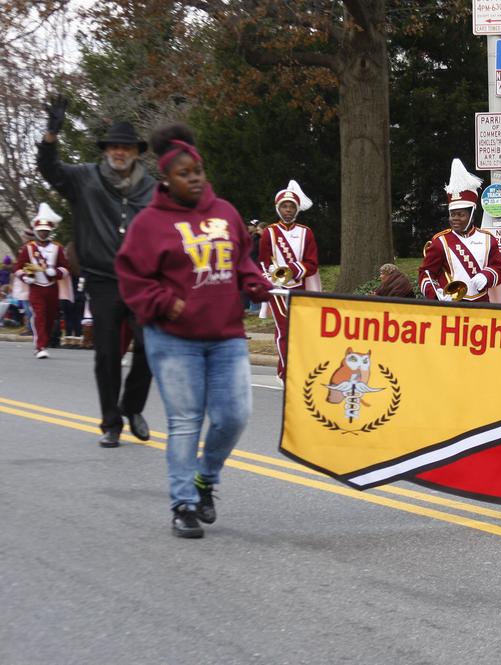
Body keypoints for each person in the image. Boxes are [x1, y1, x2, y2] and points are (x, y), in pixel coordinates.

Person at [116, 122, 272, 539]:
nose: (194, 178)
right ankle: (183, 502)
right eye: (184, 173)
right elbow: (132, 278)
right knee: (186, 420)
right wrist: (166, 302)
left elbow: (242, 257)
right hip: (174, 339)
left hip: (225, 334)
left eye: (198, 170)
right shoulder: (149, 223)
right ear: (166, 179)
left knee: (235, 415)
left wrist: (253, 280)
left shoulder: (225, 212)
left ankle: (206, 478)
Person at [37, 94, 155, 447]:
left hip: (140, 280)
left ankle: (131, 407)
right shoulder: (84, 178)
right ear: (107, 150)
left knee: (152, 345)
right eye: (114, 146)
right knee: (105, 353)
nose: (120, 152)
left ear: (136, 151)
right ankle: (111, 424)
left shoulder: (150, 189)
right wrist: (51, 135)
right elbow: (49, 171)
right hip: (102, 280)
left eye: (127, 147)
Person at [258, 180, 321, 381]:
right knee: (284, 328)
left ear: (296, 209)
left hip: (300, 286)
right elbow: (262, 261)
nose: (287, 210)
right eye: (284, 206)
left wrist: (291, 270)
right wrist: (270, 279)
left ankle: (287, 367)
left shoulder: (306, 232)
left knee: (298, 329)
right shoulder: (269, 232)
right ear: (278, 208)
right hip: (276, 288)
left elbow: (312, 263)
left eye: (291, 206)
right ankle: (286, 373)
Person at [419, 158, 501, 303]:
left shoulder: (487, 239)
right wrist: (436, 293)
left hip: (481, 304)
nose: (455, 219)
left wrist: (487, 276)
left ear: (471, 215)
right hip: (452, 306)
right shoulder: (440, 241)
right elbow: (426, 273)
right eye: (452, 214)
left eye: (461, 214)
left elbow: (499, 269)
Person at [11, 203, 73, 358]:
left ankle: (43, 342)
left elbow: (66, 269)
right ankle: (40, 347)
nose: (43, 233)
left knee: (50, 317)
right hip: (35, 287)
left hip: (52, 287)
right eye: (40, 231)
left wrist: (56, 271)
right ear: (36, 231)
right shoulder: (28, 249)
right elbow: (17, 268)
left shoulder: (57, 248)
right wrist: (25, 277)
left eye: (46, 231)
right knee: (39, 315)